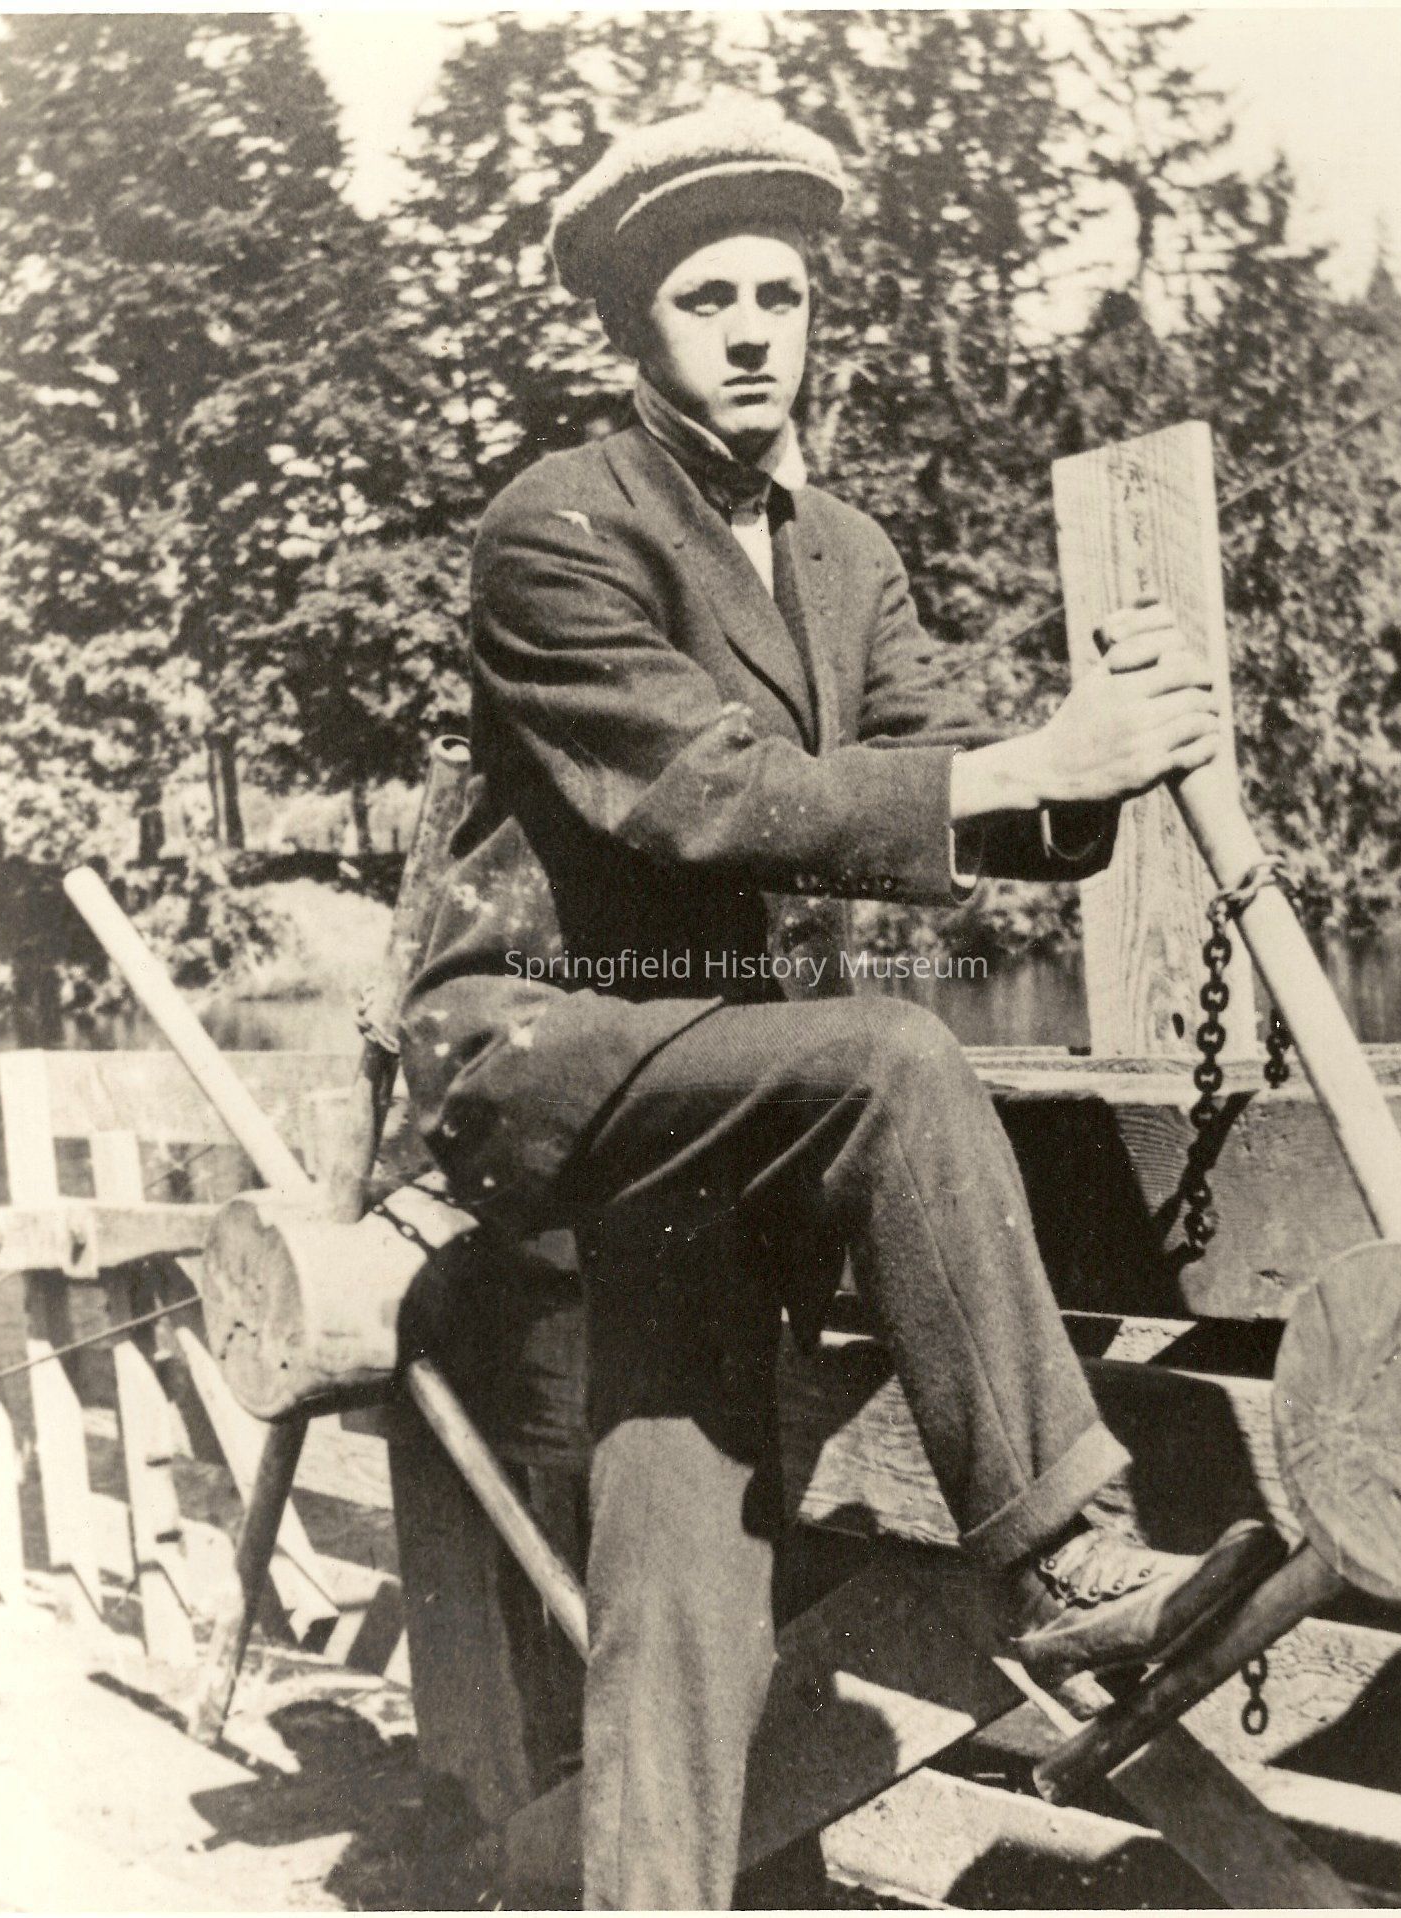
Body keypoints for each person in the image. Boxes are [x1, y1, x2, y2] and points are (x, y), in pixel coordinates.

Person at [402, 94, 1276, 1912]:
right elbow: (702, 797)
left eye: (780, 297)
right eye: (706, 298)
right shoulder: (555, 529)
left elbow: (944, 769)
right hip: (546, 1052)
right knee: (893, 1056)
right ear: (632, 325)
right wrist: (1035, 759)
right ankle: (1064, 1555)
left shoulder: (843, 551)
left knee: (684, 1532)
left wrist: (1109, 745)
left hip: (725, 1087)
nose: (751, 334)